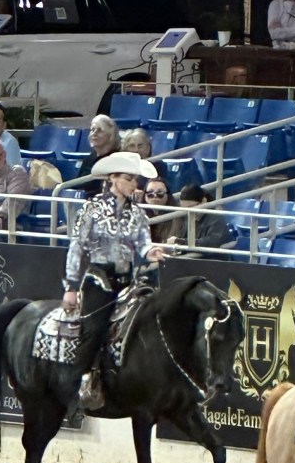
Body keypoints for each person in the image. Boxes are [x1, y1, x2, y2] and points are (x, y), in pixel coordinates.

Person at [61, 151, 164, 409]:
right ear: (113, 179)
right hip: (99, 280)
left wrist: (150, 252)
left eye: (135, 179)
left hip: (129, 282)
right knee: (94, 330)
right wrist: (72, 287)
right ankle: (76, 389)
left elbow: (142, 243)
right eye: (129, 179)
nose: (134, 185)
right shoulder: (91, 210)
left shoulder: (138, 214)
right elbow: (77, 248)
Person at [171, 183, 233, 251]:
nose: (189, 211)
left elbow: (212, 243)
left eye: (191, 207)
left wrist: (182, 242)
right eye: (185, 208)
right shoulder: (188, 217)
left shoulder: (216, 219)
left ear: (203, 201)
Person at [77, 114, 122, 197]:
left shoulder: (115, 158)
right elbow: (79, 181)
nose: (94, 133)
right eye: (92, 130)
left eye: (100, 130)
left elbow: (98, 186)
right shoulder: (91, 156)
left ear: (110, 135)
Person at [120, 127, 167, 196]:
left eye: (140, 146)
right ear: (125, 150)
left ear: (148, 148)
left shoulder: (158, 166)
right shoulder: (119, 167)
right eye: (132, 146)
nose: (136, 150)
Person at [142, 177, 181, 243]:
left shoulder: (177, 215)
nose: (155, 195)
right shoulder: (138, 212)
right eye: (150, 192)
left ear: (167, 195)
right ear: (145, 196)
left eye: (160, 192)